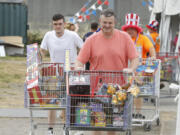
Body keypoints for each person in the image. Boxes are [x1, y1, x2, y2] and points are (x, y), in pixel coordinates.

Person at [76, 9, 139, 135]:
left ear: (115, 22)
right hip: (96, 89)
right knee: (97, 122)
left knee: (113, 123)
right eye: (104, 22)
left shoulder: (125, 38)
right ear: (100, 22)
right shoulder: (91, 40)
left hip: (118, 89)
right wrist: (79, 69)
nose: (107, 25)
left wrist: (131, 69)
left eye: (110, 23)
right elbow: (80, 60)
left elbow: (135, 58)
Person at [40, 13, 83, 135]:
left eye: (60, 24)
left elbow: (84, 48)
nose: (58, 26)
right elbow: (42, 51)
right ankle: (50, 129)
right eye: (55, 24)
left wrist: (79, 63)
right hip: (54, 73)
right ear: (52, 24)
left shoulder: (73, 35)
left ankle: (66, 127)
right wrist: (39, 62)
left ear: (64, 24)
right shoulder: (48, 35)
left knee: (67, 101)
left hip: (70, 73)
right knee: (52, 101)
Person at [122, 13, 156, 119]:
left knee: (136, 92)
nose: (130, 31)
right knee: (124, 92)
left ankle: (137, 113)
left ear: (137, 29)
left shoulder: (143, 39)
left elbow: (151, 49)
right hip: (125, 70)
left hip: (138, 71)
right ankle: (126, 112)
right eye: (128, 28)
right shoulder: (123, 39)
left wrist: (153, 57)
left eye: (133, 28)